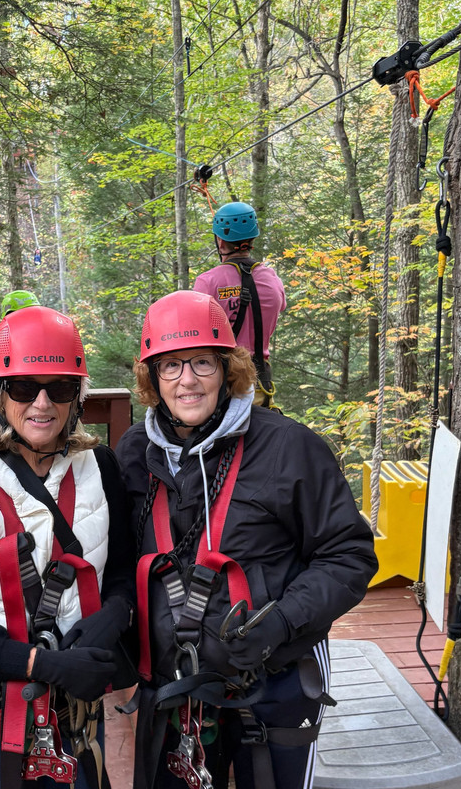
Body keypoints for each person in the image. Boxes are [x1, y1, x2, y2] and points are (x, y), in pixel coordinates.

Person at [116, 290, 377, 789]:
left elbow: (349, 555)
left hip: (273, 679)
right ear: (152, 378)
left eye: (201, 363)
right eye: (169, 366)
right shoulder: (135, 453)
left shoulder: (287, 447)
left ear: (228, 368)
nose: (186, 379)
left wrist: (280, 620)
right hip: (179, 686)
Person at [0, 305, 136, 788]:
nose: (42, 403)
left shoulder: (100, 467)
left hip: (77, 711)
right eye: (24, 387)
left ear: (76, 400)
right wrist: (45, 664)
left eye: (59, 389)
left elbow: (122, 568)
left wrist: (117, 611)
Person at [194, 201, 287, 407]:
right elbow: (279, 307)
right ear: (252, 239)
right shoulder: (272, 279)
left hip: (222, 383)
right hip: (259, 382)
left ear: (220, 241)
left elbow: (195, 331)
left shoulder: (207, 282)